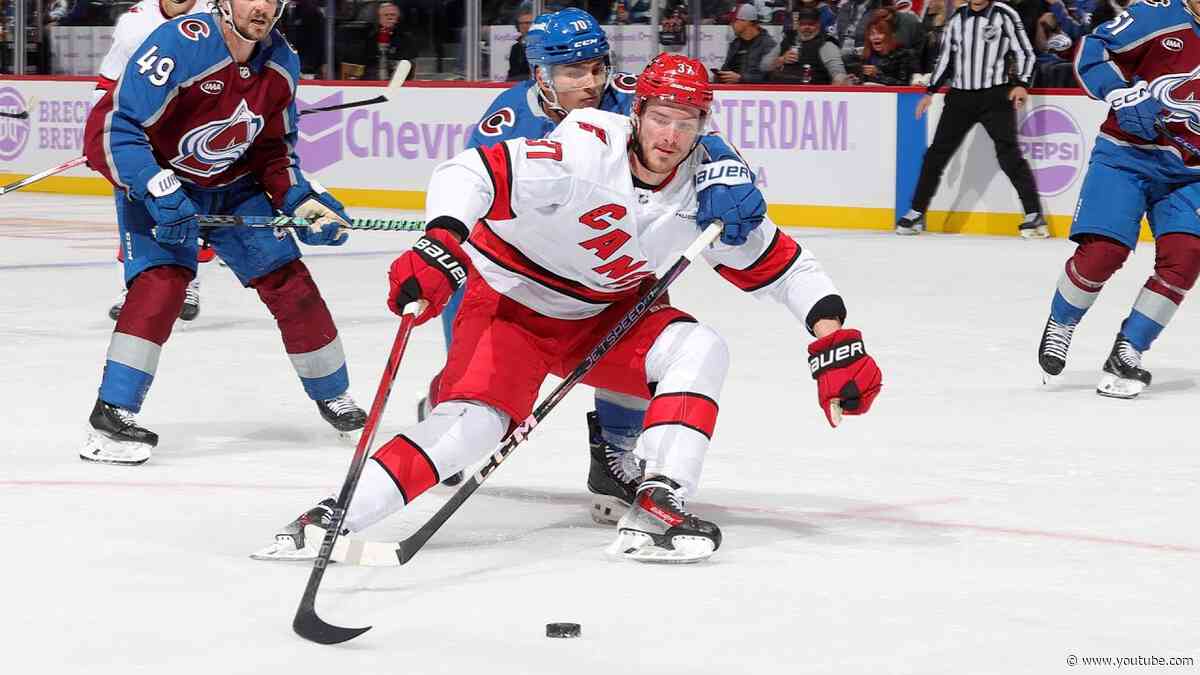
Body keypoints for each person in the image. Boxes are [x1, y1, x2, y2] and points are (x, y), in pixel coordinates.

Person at [253, 53, 882, 564]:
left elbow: (786, 266)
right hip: (511, 302)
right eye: (662, 115)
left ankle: (658, 501)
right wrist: (441, 237)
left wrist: (834, 337)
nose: (671, 135)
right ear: (637, 113)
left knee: (700, 347)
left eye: (688, 121)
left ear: (704, 127)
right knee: (476, 425)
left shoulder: (709, 189)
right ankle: (338, 515)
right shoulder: (583, 146)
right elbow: (471, 170)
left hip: (605, 318)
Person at [79, 0, 368, 465]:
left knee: (292, 286)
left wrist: (301, 200)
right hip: (160, 182)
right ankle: (110, 418)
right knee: (162, 287)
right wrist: (156, 188)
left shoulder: (282, 62)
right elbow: (113, 128)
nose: (263, 7)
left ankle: (335, 397)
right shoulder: (179, 44)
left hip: (233, 188)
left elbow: (274, 151)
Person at [428, 9, 645, 526]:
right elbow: (475, 195)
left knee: (639, 348)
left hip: (604, 258)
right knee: (478, 388)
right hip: (514, 269)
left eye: (597, 67)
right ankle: (443, 410)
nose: (591, 82)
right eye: (573, 72)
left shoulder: (633, 102)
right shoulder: (503, 122)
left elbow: (690, 141)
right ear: (541, 74)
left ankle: (614, 457)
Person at [1036, 0, 1200, 398]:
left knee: (1186, 257)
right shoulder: (1156, 15)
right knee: (1104, 251)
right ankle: (1062, 320)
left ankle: (1129, 350)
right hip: (1127, 156)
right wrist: (1122, 94)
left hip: (1190, 173)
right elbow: (1094, 51)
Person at [92, 0, 209, 323]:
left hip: (191, 140)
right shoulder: (135, 22)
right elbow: (107, 85)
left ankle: (190, 284)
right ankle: (132, 288)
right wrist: (102, 137)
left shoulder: (214, 16)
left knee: (191, 212)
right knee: (135, 211)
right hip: (142, 138)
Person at [895, 0, 1047, 237]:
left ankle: (1033, 214)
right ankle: (916, 212)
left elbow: (1025, 53)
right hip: (960, 97)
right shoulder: (956, 18)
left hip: (995, 95)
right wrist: (930, 91)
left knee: (1008, 154)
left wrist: (1022, 84)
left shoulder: (1004, 14)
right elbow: (945, 58)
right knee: (936, 154)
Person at [768, 7, 849, 84]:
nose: (806, 27)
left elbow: (839, 75)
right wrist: (781, 60)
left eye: (811, 24)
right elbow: (764, 66)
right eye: (803, 24)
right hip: (780, 90)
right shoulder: (788, 39)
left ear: (818, 24)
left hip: (810, 92)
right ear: (798, 25)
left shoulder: (826, 44)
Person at [715, 3, 778, 84]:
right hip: (732, 91)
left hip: (756, 94)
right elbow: (726, 68)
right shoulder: (735, 43)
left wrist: (741, 79)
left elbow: (769, 77)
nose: (731, 25)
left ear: (747, 22)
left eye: (734, 21)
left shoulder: (768, 45)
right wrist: (720, 76)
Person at [858, 9, 919, 85]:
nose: (875, 37)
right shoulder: (868, 56)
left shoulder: (904, 55)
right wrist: (855, 81)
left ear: (889, 36)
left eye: (880, 33)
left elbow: (904, 84)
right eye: (872, 34)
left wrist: (878, 75)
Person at [506, 5, 533, 81]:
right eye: (521, 23)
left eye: (528, 23)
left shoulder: (543, 45)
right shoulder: (515, 47)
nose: (524, 26)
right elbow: (513, 72)